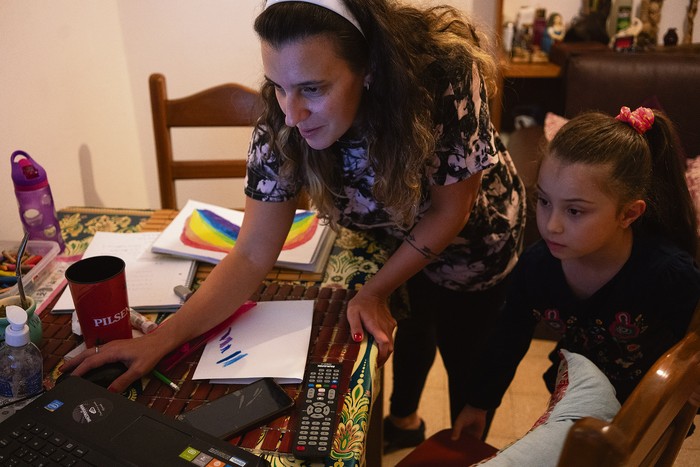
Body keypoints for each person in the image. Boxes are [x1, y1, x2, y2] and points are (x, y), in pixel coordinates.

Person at [61, 0, 526, 451]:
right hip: (390, 238)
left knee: (469, 361)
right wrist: (161, 339)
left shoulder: (442, 73)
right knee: (412, 327)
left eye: (312, 89)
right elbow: (250, 254)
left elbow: (450, 211)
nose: (291, 113)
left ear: (369, 67)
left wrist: (372, 291)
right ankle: (405, 421)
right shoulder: (281, 120)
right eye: (278, 86)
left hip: (473, 243)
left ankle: (468, 450)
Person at [452, 106, 700, 440]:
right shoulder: (536, 267)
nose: (551, 225)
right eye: (544, 201)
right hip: (575, 405)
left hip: (648, 418)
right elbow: (507, 338)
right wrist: (478, 404)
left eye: (574, 210)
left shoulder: (668, 274)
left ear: (629, 213)